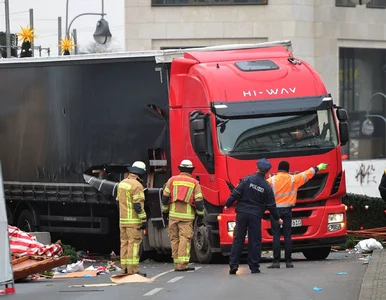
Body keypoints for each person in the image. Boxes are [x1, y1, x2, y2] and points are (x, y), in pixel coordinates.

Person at [224, 158, 282, 275]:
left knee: (238, 239)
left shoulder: (247, 180)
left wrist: (227, 204)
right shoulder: (267, 187)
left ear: (257, 168)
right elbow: (271, 206)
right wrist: (277, 218)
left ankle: (234, 265)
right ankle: (254, 267)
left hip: (242, 214)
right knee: (254, 241)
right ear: (266, 171)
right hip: (255, 216)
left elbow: (236, 193)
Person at [267, 161, 328, 269]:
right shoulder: (293, 179)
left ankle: (276, 262)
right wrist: (318, 167)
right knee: (287, 236)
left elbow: (261, 188)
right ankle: (288, 261)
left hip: (275, 211)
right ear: (287, 169)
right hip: (287, 210)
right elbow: (307, 174)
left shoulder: (271, 180)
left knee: (276, 236)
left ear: (278, 169)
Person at [161, 159, 205, 272]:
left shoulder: (172, 180)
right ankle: (182, 264)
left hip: (173, 215)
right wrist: (200, 216)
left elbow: (165, 199)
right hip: (186, 217)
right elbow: (199, 203)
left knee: (174, 239)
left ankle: (177, 263)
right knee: (184, 239)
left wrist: (165, 212)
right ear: (191, 170)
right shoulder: (194, 183)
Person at [116, 161, 148, 276]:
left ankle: (124, 269)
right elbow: (137, 205)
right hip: (134, 221)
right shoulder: (137, 185)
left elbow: (118, 202)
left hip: (123, 221)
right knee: (134, 245)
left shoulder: (122, 183)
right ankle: (133, 270)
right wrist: (144, 219)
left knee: (124, 244)